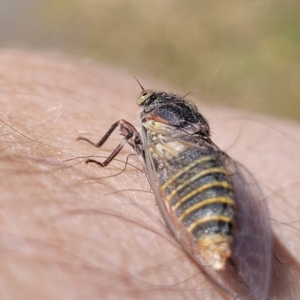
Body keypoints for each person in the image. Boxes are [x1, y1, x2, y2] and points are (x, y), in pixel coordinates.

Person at [0, 50, 299, 299]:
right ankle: (227, 247)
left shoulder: (148, 124)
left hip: (183, 174)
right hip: (208, 165)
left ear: (148, 112)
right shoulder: (189, 124)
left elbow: (126, 135)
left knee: (122, 130)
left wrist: (103, 162)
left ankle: (214, 243)